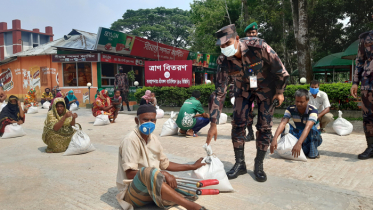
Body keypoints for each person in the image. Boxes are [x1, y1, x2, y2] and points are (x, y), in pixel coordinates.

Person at [206, 24, 289, 182]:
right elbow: (219, 91)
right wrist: (213, 123)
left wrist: (279, 92)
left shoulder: (258, 47)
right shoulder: (224, 60)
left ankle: (259, 165)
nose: (225, 48)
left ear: (237, 39)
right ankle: (240, 163)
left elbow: (280, 70)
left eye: (228, 44)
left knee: (264, 127)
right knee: (237, 124)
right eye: (222, 46)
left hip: (266, 88)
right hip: (242, 89)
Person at [116, 104, 207, 210]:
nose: (150, 123)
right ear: (137, 121)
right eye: (145, 120)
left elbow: (165, 164)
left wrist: (192, 166)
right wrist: (161, 173)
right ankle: (191, 207)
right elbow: (130, 173)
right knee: (148, 172)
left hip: (150, 188)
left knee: (189, 192)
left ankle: (166, 197)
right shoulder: (130, 140)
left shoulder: (153, 139)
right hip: (132, 194)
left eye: (153, 120)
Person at [270, 89, 323, 159]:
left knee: (312, 129)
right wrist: (274, 139)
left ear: (307, 101)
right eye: (297, 101)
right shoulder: (290, 109)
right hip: (300, 134)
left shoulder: (313, 109)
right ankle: (285, 148)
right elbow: (283, 123)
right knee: (286, 126)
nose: (298, 104)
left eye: (302, 102)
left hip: (313, 137)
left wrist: (299, 143)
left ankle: (313, 152)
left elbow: (307, 127)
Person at [351, 29, 373, 160]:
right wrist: (355, 82)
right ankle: (371, 147)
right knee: (368, 117)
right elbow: (359, 60)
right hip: (367, 84)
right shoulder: (366, 37)